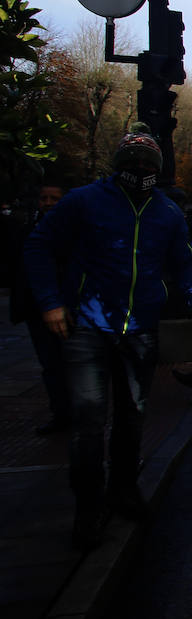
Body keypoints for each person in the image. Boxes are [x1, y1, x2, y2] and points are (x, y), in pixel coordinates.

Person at [25, 131, 192, 549]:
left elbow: (184, 264)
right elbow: (38, 246)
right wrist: (51, 303)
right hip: (89, 329)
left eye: (149, 166)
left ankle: (125, 491)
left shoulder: (166, 212)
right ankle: (88, 508)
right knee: (89, 423)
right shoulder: (84, 201)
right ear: (118, 164)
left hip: (141, 330)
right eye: (133, 163)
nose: (142, 172)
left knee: (133, 416)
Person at [4, 181, 69, 433]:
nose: (49, 203)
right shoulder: (27, 230)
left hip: (68, 309)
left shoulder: (73, 233)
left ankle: (76, 413)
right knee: (51, 364)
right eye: (44, 198)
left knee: (72, 363)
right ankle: (61, 414)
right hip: (36, 310)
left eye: (54, 198)